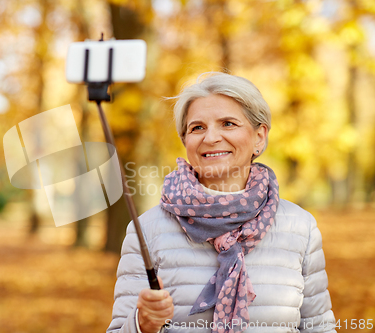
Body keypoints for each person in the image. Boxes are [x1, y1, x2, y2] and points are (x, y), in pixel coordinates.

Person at [107, 72, 336, 333]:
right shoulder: (146, 229)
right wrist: (142, 324)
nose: (211, 138)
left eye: (228, 124)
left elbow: (320, 328)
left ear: (259, 137)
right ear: (185, 141)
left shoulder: (300, 228)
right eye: (197, 127)